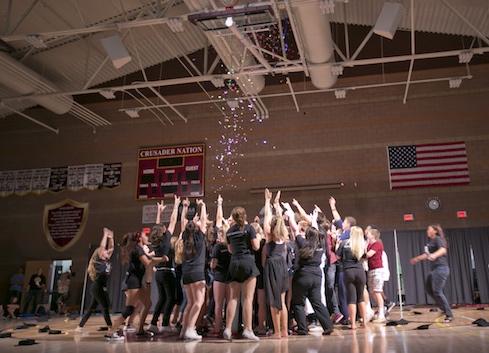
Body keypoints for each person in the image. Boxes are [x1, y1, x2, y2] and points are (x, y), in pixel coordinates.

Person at [106, 230, 163, 340]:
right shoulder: (138, 249)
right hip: (133, 283)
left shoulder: (139, 249)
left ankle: (140, 330)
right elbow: (148, 263)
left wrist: (155, 257)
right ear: (140, 238)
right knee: (129, 310)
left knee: (148, 303)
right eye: (145, 235)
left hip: (136, 282)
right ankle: (111, 332)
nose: (147, 237)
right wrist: (162, 259)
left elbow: (149, 258)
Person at [223, 205, 261, 341]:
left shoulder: (229, 231)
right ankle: (248, 329)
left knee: (233, 298)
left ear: (233, 217)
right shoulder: (249, 229)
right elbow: (256, 246)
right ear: (244, 215)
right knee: (247, 299)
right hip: (247, 262)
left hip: (234, 264)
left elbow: (230, 250)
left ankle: (227, 328)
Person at [291, 226, 334, 336]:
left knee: (298, 303)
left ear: (307, 235)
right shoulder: (321, 246)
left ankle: (302, 329)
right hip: (317, 276)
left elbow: (295, 231)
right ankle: (328, 326)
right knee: (317, 302)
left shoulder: (303, 244)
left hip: (303, 275)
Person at [148, 196, 180, 334]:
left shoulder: (155, 239)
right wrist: (176, 205)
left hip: (158, 273)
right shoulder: (166, 238)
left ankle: (154, 323)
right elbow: (173, 220)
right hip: (167, 272)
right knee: (171, 298)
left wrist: (159, 211)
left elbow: (157, 226)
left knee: (162, 298)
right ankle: (165, 324)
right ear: (164, 231)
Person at [176, 199, 208, 341]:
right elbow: (203, 219)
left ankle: (184, 330)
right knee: (198, 302)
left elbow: (183, 224)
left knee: (190, 303)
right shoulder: (200, 236)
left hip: (186, 273)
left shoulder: (185, 236)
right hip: (197, 273)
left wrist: (184, 207)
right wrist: (202, 206)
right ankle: (190, 328)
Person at [410, 224, 453, 323]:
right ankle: (443, 308)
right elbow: (426, 255)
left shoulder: (438, 239)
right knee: (429, 289)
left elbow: (443, 250)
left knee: (437, 291)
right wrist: (417, 259)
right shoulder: (430, 242)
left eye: (429, 229)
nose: (427, 231)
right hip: (434, 269)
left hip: (441, 268)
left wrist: (435, 255)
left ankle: (449, 314)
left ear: (435, 231)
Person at [263, 190, 289, 339]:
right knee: (282, 301)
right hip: (283, 266)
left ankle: (277, 332)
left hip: (273, 266)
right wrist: (277, 204)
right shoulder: (283, 233)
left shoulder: (270, 234)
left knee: (274, 301)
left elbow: (267, 218)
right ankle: (284, 331)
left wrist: (267, 201)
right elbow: (279, 220)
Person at [77, 228, 114, 331]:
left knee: (92, 308)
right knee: (105, 307)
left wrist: (111, 238)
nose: (107, 252)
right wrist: (105, 235)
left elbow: (111, 248)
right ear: (100, 254)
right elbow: (102, 247)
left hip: (100, 287)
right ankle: (110, 327)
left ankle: (79, 326)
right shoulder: (98, 262)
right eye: (105, 252)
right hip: (97, 287)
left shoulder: (106, 260)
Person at [336, 226, 368, 330]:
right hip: (360, 271)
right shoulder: (362, 245)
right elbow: (364, 257)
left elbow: (338, 257)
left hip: (348, 271)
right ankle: (364, 322)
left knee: (351, 299)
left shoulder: (344, 243)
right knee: (361, 298)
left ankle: (353, 324)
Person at [210, 195, 231, 336]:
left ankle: (217, 329)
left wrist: (212, 264)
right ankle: (229, 328)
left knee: (218, 305)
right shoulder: (231, 246)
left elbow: (213, 265)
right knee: (230, 303)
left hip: (219, 277)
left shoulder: (217, 247)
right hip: (230, 277)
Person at [366, 227, 386, 323]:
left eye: (368, 233)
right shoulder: (369, 245)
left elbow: (369, 254)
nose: (367, 234)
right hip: (371, 270)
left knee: (377, 291)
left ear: (373, 235)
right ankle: (379, 310)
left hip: (377, 270)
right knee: (372, 292)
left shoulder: (377, 244)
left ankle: (382, 313)